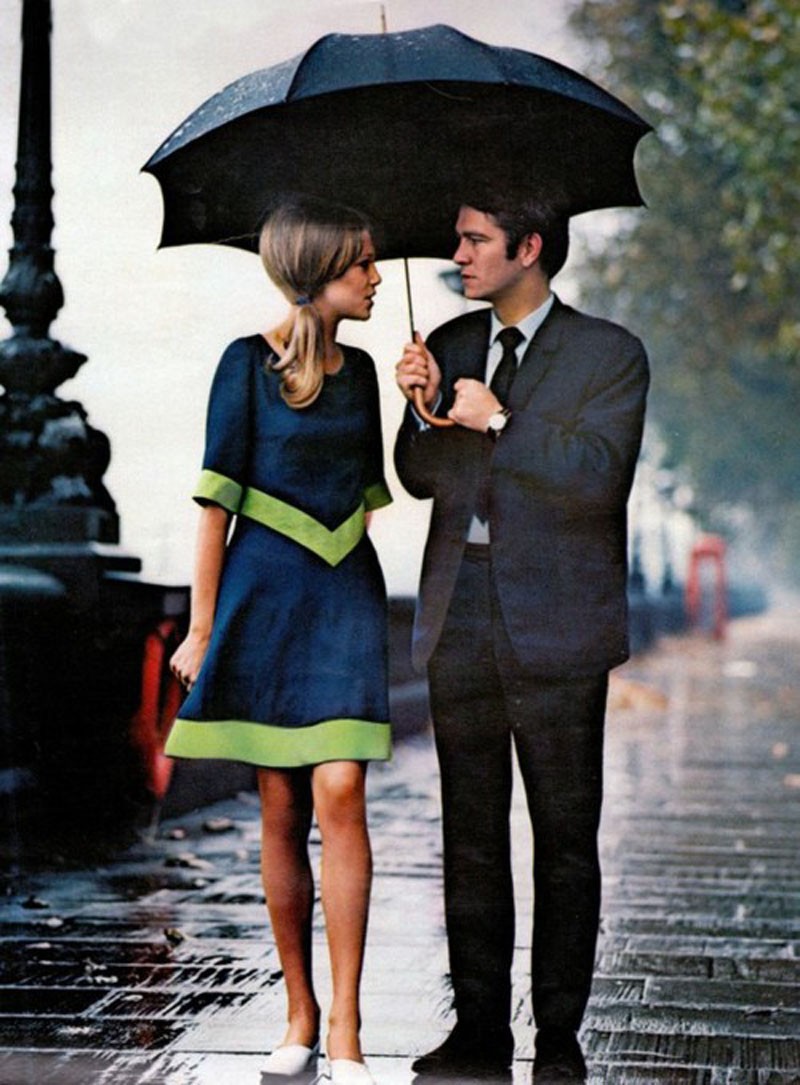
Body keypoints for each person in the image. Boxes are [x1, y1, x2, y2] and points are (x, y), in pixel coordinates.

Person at [394, 187, 649, 1083]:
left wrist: (498, 420)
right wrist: (422, 405)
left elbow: (597, 476)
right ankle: (477, 1030)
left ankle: (560, 1036)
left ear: (529, 246)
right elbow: (419, 476)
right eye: (457, 239)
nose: (458, 255)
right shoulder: (452, 343)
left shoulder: (609, 353)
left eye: (475, 240)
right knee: (469, 833)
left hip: (561, 624)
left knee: (564, 836)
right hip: (459, 612)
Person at [166, 195, 390, 1085]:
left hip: (344, 592)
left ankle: (347, 1026)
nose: (375, 277)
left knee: (341, 788)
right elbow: (214, 507)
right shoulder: (243, 365)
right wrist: (201, 628)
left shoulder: (365, 372)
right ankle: (299, 1012)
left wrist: (422, 404)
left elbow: (372, 490)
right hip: (264, 596)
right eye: (362, 262)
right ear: (318, 270)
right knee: (280, 805)